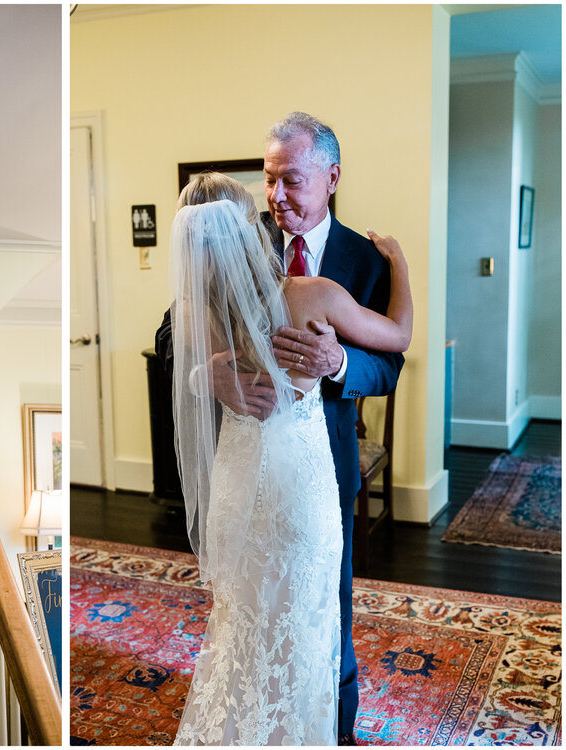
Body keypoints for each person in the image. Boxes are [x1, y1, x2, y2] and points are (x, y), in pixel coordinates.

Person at [158, 112, 405, 744]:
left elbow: (391, 362)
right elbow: (171, 334)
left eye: (290, 180)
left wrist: (340, 362)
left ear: (331, 178)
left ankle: (333, 732)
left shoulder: (362, 259)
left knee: (326, 616)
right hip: (249, 465)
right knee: (251, 611)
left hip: (322, 463)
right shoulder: (237, 243)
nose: (277, 196)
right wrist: (207, 374)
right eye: (269, 180)